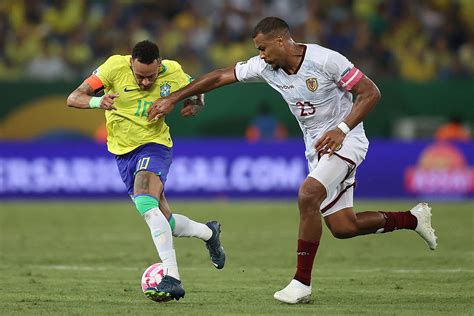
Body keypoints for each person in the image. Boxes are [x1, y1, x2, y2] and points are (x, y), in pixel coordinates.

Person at [147, 17, 438, 304]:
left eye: (263, 48)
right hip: (317, 149)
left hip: (347, 140)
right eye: (258, 50)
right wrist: (174, 98)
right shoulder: (266, 66)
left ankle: (301, 283)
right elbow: (222, 75)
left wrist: (342, 129)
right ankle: (412, 219)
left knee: (308, 194)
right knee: (343, 227)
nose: (260, 55)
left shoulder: (326, 61)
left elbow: (370, 92)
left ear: (281, 41)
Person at [66, 40, 225, 302]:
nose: (145, 83)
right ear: (130, 64)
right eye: (140, 76)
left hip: (155, 146)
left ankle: (172, 277)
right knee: (165, 221)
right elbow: (74, 98)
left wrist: (196, 104)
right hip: (122, 153)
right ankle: (209, 233)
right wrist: (97, 102)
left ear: (159, 65)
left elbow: (199, 88)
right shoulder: (113, 67)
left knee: (144, 197)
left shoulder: (173, 71)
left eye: (150, 76)